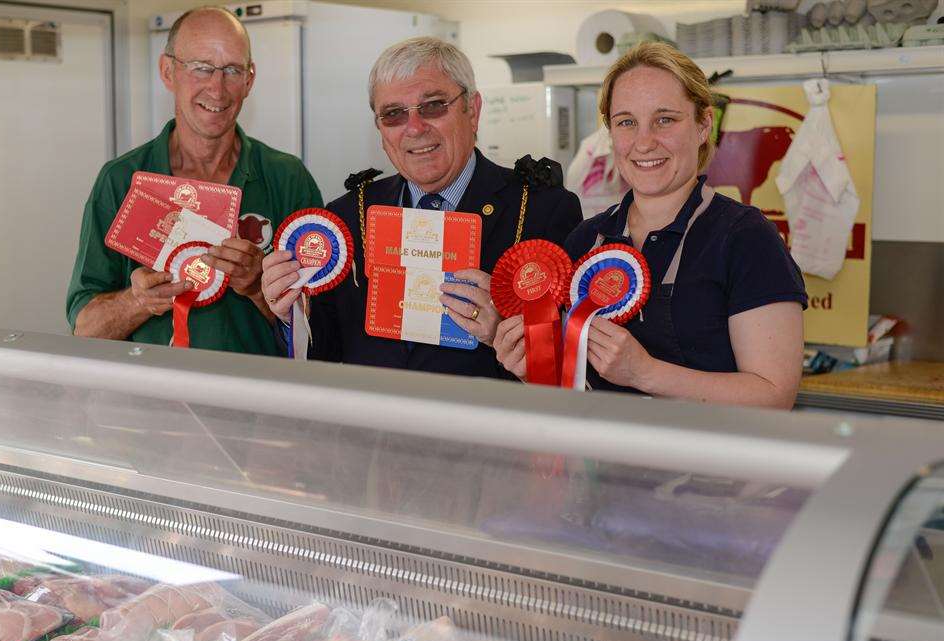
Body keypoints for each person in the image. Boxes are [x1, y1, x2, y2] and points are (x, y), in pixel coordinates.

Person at [494, 43, 806, 409]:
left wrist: (643, 372)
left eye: (665, 120)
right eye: (626, 122)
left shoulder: (745, 238)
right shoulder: (586, 239)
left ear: (704, 125)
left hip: (709, 464)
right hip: (602, 461)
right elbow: (573, 389)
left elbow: (774, 396)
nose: (644, 142)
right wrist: (534, 369)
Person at [260, 37, 582, 378]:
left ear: (472, 110)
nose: (414, 128)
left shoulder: (541, 209)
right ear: (380, 130)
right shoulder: (348, 216)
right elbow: (324, 352)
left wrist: (502, 332)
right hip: (377, 426)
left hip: (485, 425)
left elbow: (569, 374)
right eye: (394, 114)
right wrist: (291, 315)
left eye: (433, 106)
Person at [67, 6, 321, 354]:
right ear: (168, 71)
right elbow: (85, 330)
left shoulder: (287, 177)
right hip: (152, 402)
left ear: (249, 79)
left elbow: (323, 328)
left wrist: (257, 286)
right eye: (202, 68)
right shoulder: (122, 179)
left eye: (232, 70)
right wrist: (138, 301)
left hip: (258, 401)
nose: (218, 90)